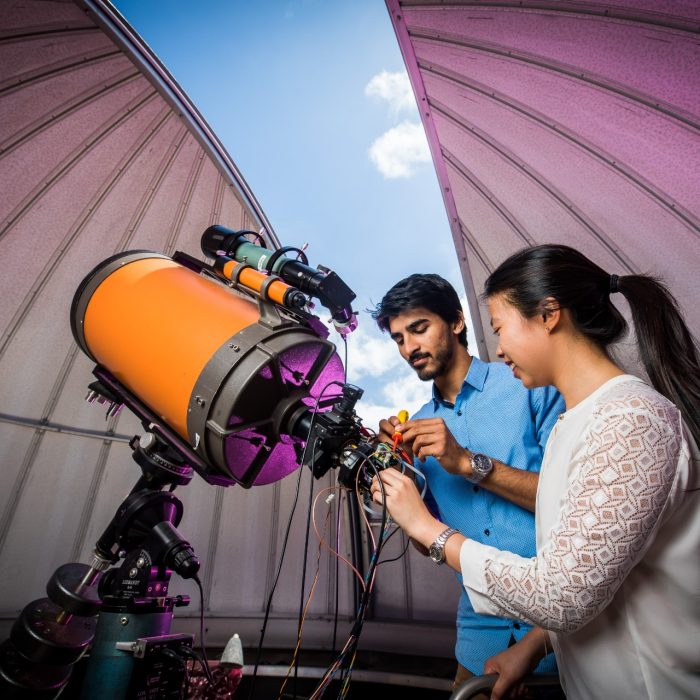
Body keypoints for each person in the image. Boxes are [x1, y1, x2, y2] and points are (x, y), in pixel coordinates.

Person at [370, 246, 700, 699]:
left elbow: (564, 592)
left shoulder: (628, 421)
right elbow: (586, 559)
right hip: (512, 644)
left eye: (501, 328)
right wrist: (403, 493)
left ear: (548, 315)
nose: (499, 348)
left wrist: (442, 507)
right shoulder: (574, 425)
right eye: (397, 339)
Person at [371, 274, 564, 689]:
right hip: (478, 642)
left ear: (456, 322)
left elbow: (572, 503)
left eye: (419, 329)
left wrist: (465, 462)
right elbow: (430, 546)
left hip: (561, 630)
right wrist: (402, 486)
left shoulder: (528, 385)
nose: (410, 348)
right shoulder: (415, 428)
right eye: (399, 339)